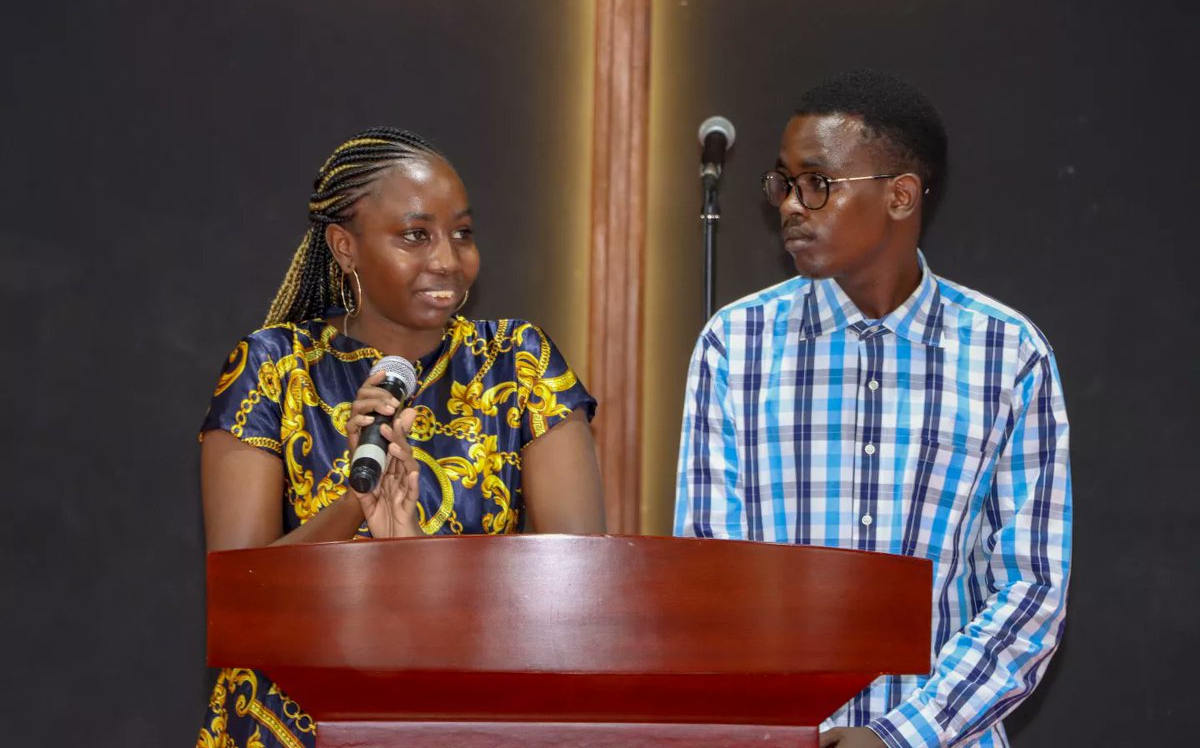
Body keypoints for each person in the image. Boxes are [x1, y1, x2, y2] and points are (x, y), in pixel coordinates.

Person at [674, 70, 1071, 748]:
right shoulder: (735, 346)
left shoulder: (1008, 354)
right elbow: (709, 580)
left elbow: (1030, 591)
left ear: (901, 195)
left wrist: (900, 736)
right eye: (783, 184)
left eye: (817, 183)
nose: (791, 207)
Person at [195, 127, 606, 748]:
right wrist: (353, 508)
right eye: (416, 235)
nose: (447, 259)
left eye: (461, 233)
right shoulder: (275, 369)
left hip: (469, 719)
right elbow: (238, 605)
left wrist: (414, 552)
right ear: (344, 246)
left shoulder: (519, 365)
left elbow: (576, 594)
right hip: (292, 725)